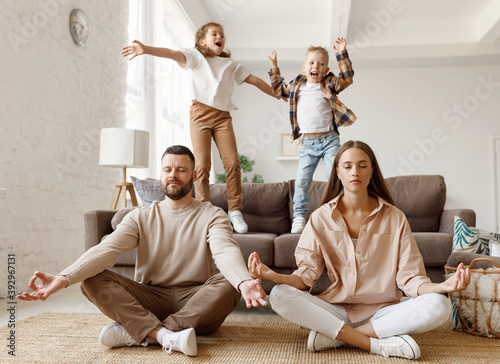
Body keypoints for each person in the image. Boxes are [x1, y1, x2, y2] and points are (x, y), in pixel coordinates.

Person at [17, 145, 268, 357]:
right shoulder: (140, 217)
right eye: (168, 169)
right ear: (161, 175)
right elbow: (108, 248)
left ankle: (137, 331)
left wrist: (244, 281)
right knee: (90, 279)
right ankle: (165, 336)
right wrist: (63, 278)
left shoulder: (213, 214)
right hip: (149, 298)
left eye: (181, 170)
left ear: (193, 175)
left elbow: (224, 250)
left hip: (196, 302)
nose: (173, 175)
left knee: (230, 282)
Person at [248, 140, 470, 360]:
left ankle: (336, 337)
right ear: (337, 172)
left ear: (372, 170)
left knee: (438, 304)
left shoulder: (394, 217)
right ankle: (375, 344)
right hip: (336, 309)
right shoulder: (320, 218)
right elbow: (306, 277)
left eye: (363, 165)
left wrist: (442, 286)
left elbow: (411, 278)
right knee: (279, 294)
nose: (355, 171)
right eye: (347, 166)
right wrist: (271, 275)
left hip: (383, 311)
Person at [121, 22, 281, 234]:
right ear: (202, 41)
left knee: (232, 162)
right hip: (200, 115)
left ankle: (234, 210)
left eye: (222, 35)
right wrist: (146, 49)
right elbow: (170, 53)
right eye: (214, 34)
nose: (220, 37)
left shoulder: (232, 64)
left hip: (223, 117)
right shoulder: (195, 57)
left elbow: (256, 81)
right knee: (203, 166)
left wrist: (278, 94)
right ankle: (205, 209)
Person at [268, 38, 357, 234]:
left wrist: (342, 54)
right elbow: (277, 88)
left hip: (330, 141)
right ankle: (299, 216)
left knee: (334, 176)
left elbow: (347, 78)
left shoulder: (329, 83)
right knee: (302, 180)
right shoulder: (296, 87)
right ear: (304, 67)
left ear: (326, 70)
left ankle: (339, 213)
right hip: (307, 144)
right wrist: (274, 67)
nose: (316, 66)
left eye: (321, 63)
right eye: (312, 63)